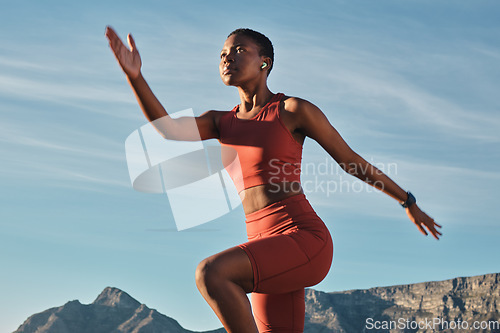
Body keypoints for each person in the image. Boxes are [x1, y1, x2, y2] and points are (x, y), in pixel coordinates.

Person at [105, 26, 442, 333]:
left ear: (264, 62)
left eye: (239, 51)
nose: (227, 58)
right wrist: (135, 76)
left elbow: (350, 161)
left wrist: (407, 201)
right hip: (263, 247)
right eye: (223, 54)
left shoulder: (292, 110)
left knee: (211, 273)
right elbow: (167, 129)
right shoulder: (221, 122)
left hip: (303, 239)